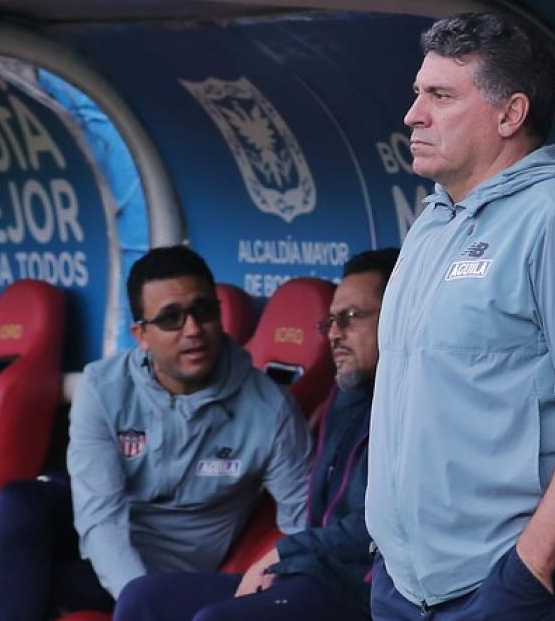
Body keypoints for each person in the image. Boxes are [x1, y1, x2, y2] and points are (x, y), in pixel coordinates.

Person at [367, 12, 555, 620]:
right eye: (418, 93)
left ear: (511, 114)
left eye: (441, 96)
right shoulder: (433, 222)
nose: (414, 114)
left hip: (516, 583)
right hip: (409, 587)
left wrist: (531, 567)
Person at [0, 246, 312, 621]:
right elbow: (100, 517)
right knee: (18, 500)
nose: (193, 329)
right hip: (108, 552)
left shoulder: (270, 409)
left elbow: (304, 524)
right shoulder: (103, 387)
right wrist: (137, 598)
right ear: (141, 334)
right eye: (171, 318)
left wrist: (150, 599)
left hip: (171, 570)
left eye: (203, 310)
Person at [113, 248, 398, 621]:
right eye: (330, 320)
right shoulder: (346, 395)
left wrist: (286, 553)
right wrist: (289, 562)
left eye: (351, 317)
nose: (334, 333)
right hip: (315, 571)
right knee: (144, 597)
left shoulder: (416, 407)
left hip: (366, 590)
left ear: (398, 314)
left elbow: (380, 529)